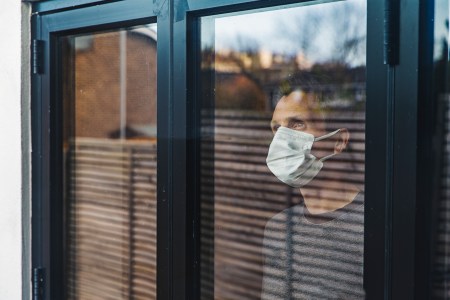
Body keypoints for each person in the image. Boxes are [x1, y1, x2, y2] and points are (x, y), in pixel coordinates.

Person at [261, 88, 365, 299]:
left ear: (339, 141)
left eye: (297, 124)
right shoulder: (277, 228)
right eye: (276, 128)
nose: (282, 139)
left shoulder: (372, 228)